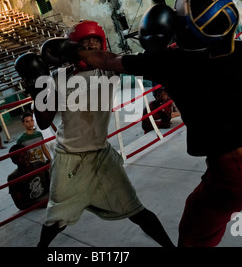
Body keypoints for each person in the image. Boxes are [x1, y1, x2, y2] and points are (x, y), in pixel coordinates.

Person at [59, 0, 242, 247]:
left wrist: (75, 49)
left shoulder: (167, 62)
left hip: (227, 177)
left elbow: (107, 60)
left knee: (193, 238)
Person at [16, 20, 174, 247]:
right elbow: (43, 121)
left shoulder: (109, 69)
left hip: (101, 156)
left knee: (135, 209)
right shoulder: (60, 78)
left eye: (95, 41)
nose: (90, 46)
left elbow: (126, 61)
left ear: (103, 43)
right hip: (69, 157)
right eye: (84, 42)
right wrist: (38, 84)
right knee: (56, 220)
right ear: (72, 47)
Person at [7, 144, 50, 210]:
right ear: (14, 161)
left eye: (24, 154)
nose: (24, 158)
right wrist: (41, 204)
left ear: (28, 153)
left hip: (48, 200)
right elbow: (20, 205)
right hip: (34, 208)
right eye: (19, 157)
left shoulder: (39, 165)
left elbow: (52, 185)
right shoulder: (13, 177)